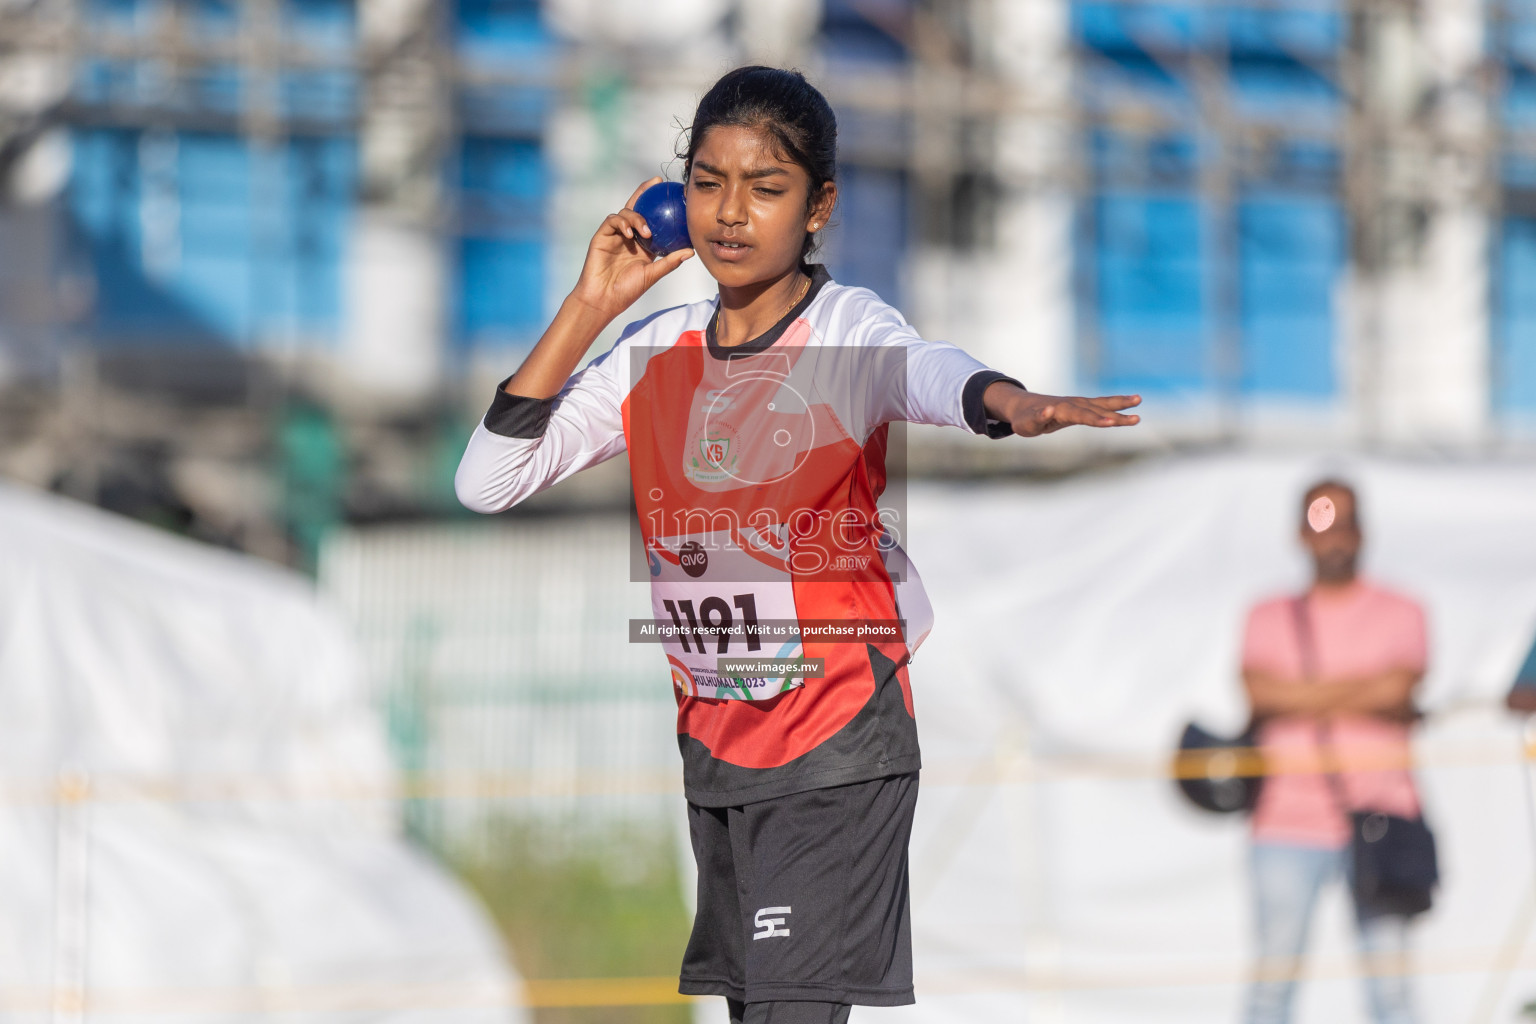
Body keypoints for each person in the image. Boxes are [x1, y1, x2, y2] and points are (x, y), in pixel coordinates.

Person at [455, 65, 1140, 1024]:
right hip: (717, 747)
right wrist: (589, 307)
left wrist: (1005, 401)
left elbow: (926, 371)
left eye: (765, 189)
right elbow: (485, 481)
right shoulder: (654, 353)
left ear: (820, 206)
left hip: (836, 744)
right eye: (707, 183)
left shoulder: (845, 330)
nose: (730, 214)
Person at [1239, 479, 1428, 1024]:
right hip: (1284, 823)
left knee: (1392, 995)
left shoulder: (1403, 608)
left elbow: (1400, 689)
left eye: (1344, 522)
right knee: (1271, 991)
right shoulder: (1267, 613)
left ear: (1362, 531)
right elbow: (1258, 693)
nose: (1334, 537)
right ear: (1301, 532)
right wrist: (1364, 690)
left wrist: (1300, 694)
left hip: (1383, 819)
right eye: (1322, 523)